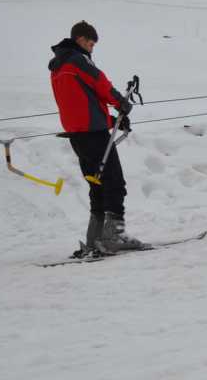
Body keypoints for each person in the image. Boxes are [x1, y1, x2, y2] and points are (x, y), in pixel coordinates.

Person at [49, 20, 145, 256]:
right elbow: (100, 85)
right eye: (91, 43)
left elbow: (82, 102)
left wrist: (113, 121)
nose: (92, 47)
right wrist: (121, 103)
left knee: (96, 183)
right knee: (114, 182)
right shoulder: (78, 60)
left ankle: (94, 239)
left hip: (77, 133)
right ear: (81, 39)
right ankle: (114, 236)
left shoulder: (57, 66)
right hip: (94, 133)